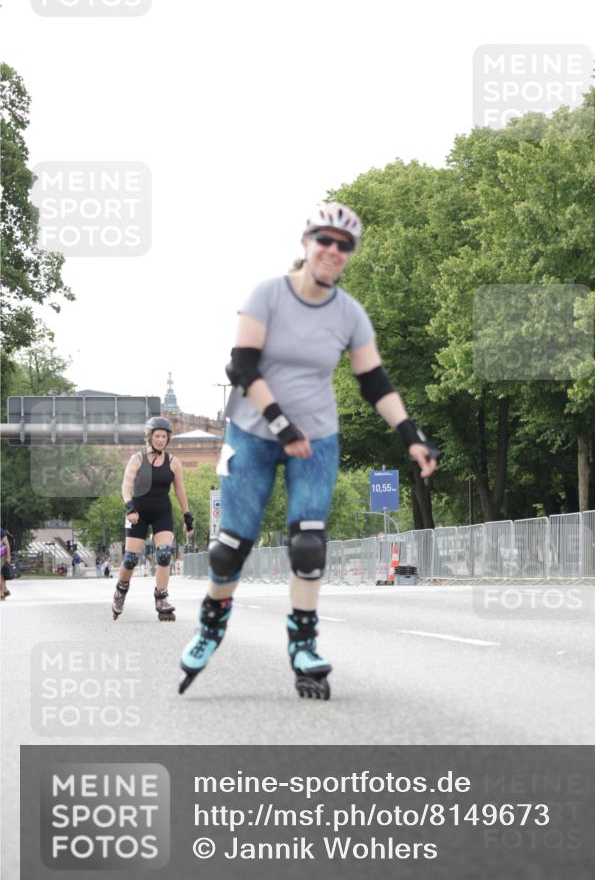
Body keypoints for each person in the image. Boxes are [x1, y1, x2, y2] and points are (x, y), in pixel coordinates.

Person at [179, 201, 439, 699]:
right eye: (325, 241)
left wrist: (411, 436)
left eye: (344, 246)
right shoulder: (268, 295)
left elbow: (374, 381)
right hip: (253, 431)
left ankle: (303, 643)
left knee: (308, 543)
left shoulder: (350, 314)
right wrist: (281, 424)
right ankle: (211, 626)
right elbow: (242, 368)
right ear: (306, 244)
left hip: (316, 435)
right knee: (231, 546)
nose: (334, 251)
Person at [113, 416, 194, 621]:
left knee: (165, 555)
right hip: (137, 513)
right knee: (130, 559)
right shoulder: (137, 459)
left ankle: (161, 598)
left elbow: (180, 492)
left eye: (164, 436)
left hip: (162, 512)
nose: (160, 440)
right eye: (157, 436)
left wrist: (188, 517)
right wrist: (129, 508)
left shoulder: (173, 462)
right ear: (150, 437)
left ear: (168, 439)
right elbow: (125, 486)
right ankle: (120, 592)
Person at [1, 527, 12, 600]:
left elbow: (7, 544)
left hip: (1, 555)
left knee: (1, 574)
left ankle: (1, 592)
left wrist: (8, 556)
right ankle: (5, 590)